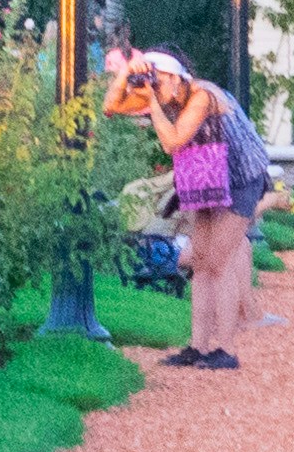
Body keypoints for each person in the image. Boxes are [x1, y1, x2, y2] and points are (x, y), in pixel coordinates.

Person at [105, 50, 269, 369]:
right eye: (152, 80)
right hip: (206, 179)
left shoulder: (202, 95)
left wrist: (152, 104)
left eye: (159, 80)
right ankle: (197, 347)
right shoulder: (169, 96)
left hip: (241, 180)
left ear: (177, 78)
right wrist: (125, 75)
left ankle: (226, 350)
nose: (155, 87)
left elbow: (173, 142)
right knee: (201, 263)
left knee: (217, 261)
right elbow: (110, 106)